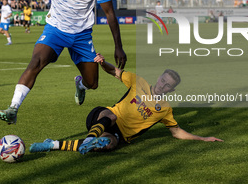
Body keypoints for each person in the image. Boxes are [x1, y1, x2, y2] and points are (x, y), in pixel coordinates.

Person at [0, 0, 127, 125]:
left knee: (93, 83)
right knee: (36, 61)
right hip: (55, 29)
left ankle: (79, 84)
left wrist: (118, 47)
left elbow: (110, 14)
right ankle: (13, 108)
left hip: (81, 35)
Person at [29, 53, 223, 155]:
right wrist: (103, 63)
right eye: (163, 80)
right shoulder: (139, 81)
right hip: (103, 116)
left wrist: (203, 139)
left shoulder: (165, 109)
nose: (163, 85)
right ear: (159, 77)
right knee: (111, 116)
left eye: (168, 85)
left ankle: (51, 145)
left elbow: (177, 132)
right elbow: (115, 72)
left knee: (107, 144)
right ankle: (89, 139)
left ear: (171, 90)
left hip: (119, 134)